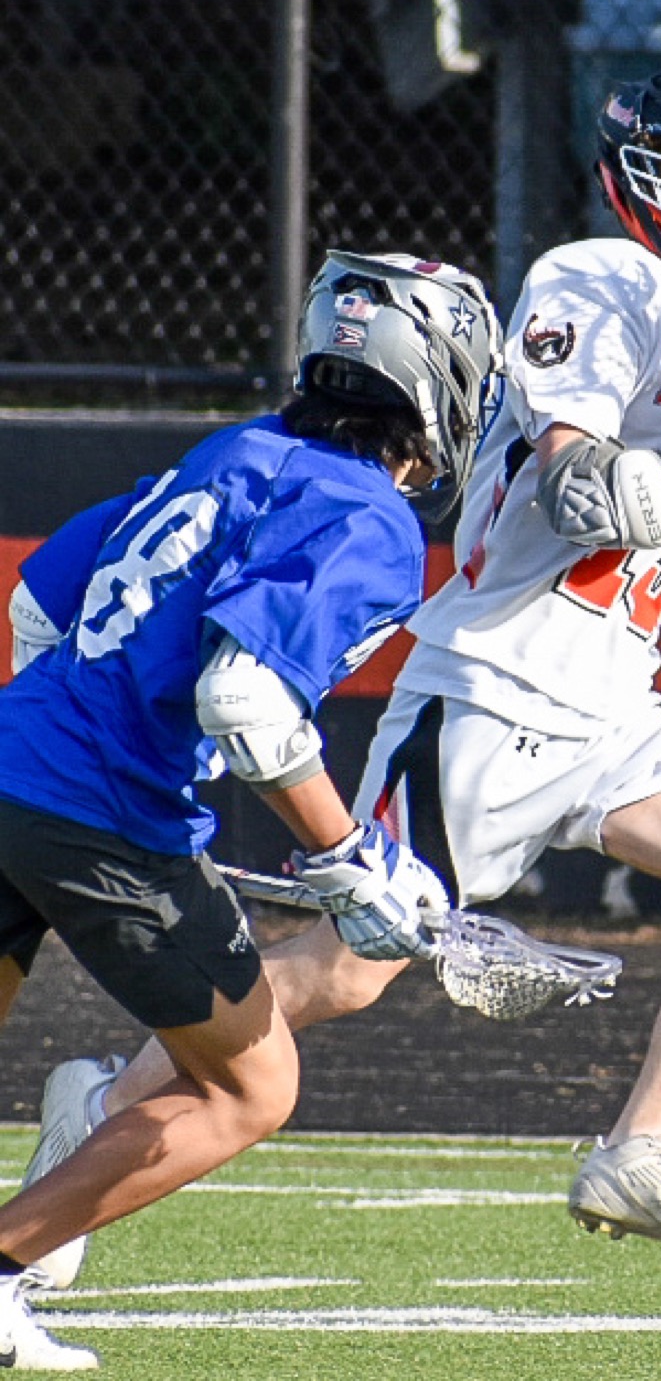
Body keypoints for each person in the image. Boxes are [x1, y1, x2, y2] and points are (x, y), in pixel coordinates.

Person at [20, 63, 661, 1279]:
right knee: (347, 973)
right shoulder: (594, 279)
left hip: (616, 698)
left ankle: (644, 1146)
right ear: (646, 175)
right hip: (497, 684)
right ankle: (103, 1116)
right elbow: (580, 487)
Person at [0, 250, 501, 1367]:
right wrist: (349, 859)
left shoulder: (237, 450)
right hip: (100, 816)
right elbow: (245, 697)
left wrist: (92, 745)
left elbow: (43, 600)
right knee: (252, 1085)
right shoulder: (368, 517)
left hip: (10, 756)